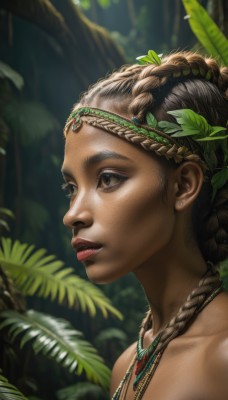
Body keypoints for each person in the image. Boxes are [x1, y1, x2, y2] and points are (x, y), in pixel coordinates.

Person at [61, 50, 228, 399]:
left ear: (184, 185)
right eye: (71, 188)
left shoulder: (223, 357)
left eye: (107, 179)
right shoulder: (126, 366)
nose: (73, 214)